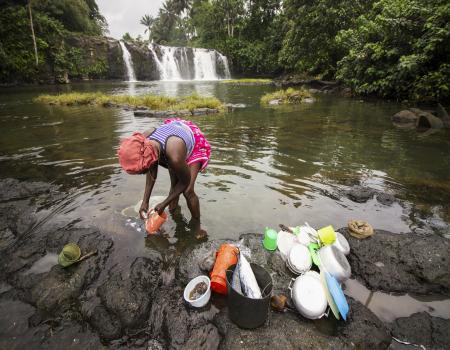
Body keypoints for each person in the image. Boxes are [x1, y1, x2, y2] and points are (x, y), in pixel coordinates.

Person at [118, 118, 211, 226]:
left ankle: (196, 225)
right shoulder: (146, 143)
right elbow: (152, 172)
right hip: (172, 137)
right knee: (174, 186)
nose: (143, 173)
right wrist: (145, 201)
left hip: (193, 141)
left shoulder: (174, 156)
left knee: (188, 191)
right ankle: (174, 213)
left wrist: (164, 203)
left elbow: (185, 182)